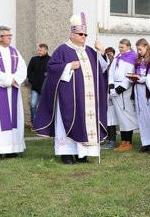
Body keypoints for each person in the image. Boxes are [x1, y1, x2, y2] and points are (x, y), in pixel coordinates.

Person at [33, 12, 109, 164]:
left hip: (87, 99)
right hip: (68, 97)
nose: (84, 37)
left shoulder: (89, 51)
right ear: (72, 34)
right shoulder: (63, 50)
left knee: (85, 124)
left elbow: (103, 69)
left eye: (85, 34)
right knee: (66, 122)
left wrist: (101, 52)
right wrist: (68, 66)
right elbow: (52, 68)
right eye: (80, 34)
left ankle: (82, 155)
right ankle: (66, 154)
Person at [0, 26, 28, 159]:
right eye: (7, 35)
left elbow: (22, 68)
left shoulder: (14, 52)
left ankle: (13, 149)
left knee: (15, 120)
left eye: (10, 35)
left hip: (13, 92)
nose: (10, 37)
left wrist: (16, 79)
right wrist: (10, 80)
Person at [108, 39, 138, 151]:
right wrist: (111, 88)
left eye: (122, 47)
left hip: (124, 91)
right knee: (120, 117)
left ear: (128, 46)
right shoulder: (117, 57)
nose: (120, 49)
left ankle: (128, 142)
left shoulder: (132, 58)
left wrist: (118, 90)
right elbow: (111, 73)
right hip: (115, 89)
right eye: (119, 47)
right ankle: (123, 141)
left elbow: (129, 77)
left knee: (126, 116)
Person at [131, 38, 150, 153]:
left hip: (147, 91)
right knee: (141, 117)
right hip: (138, 90)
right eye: (137, 49)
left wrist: (143, 79)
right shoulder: (139, 60)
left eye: (140, 49)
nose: (139, 51)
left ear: (146, 47)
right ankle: (145, 142)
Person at [26, 43, 50, 127]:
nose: (39, 51)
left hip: (46, 89)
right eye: (38, 50)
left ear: (46, 50)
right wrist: (34, 82)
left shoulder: (50, 60)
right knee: (33, 105)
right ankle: (34, 123)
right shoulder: (34, 59)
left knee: (43, 107)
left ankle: (44, 124)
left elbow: (52, 73)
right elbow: (29, 73)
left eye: (41, 50)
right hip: (35, 88)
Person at [101, 46, 118, 150]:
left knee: (111, 119)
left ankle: (112, 140)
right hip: (104, 94)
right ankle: (108, 138)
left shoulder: (113, 66)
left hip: (110, 94)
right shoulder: (105, 67)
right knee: (107, 119)